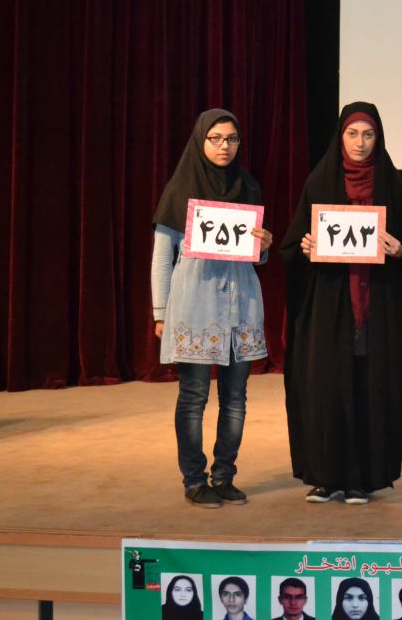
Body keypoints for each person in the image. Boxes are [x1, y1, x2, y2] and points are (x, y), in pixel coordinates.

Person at [281, 102, 402, 505]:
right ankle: (327, 477)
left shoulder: (394, 187)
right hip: (330, 310)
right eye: (352, 134)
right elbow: (292, 245)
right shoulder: (319, 182)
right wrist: (304, 247)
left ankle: (362, 479)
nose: (360, 143)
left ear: (379, 138)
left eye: (368, 134)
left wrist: (400, 251)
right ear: (340, 137)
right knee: (329, 389)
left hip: (377, 309)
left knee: (369, 390)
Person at [152, 109, 273, 508]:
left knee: (235, 398)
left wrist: (264, 246)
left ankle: (224, 476)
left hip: (241, 303)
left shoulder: (248, 186)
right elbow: (162, 257)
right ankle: (193, 479)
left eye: (232, 139)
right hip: (196, 304)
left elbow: (255, 255)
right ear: (201, 140)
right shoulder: (180, 189)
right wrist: (160, 311)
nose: (224, 146)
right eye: (216, 138)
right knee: (194, 396)